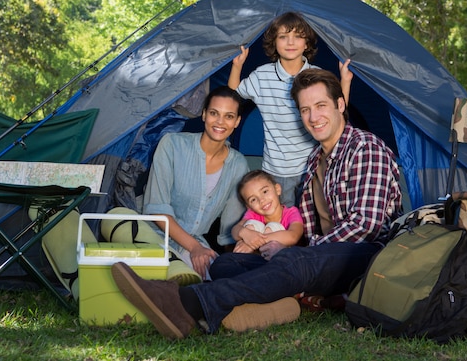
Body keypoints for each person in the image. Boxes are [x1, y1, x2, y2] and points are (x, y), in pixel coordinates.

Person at [110, 68, 402, 339]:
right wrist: (269, 243)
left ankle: (190, 303)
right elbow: (304, 228)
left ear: (340, 105)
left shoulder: (365, 148)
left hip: (367, 259)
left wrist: (301, 253)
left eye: (321, 106)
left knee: (293, 259)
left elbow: (367, 225)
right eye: (305, 110)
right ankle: (281, 304)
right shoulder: (315, 161)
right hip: (319, 261)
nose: (314, 117)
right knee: (227, 263)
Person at [228, 11, 353, 207]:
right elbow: (234, 93)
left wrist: (345, 80)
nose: (290, 42)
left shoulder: (317, 75)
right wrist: (237, 66)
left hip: (312, 168)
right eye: (283, 36)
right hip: (274, 170)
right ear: (274, 43)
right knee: (280, 224)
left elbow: (337, 109)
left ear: (307, 43)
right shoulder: (262, 76)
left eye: (298, 36)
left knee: (310, 222)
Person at [142, 86, 249, 280]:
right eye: (214, 113)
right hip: (150, 234)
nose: (220, 122)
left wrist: (234, 264)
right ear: (204, 114)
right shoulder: (172, 144)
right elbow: (157, 210)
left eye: (229, 116)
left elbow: (230, 226)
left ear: (237, 122)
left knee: (216, 280)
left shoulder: (239, 164)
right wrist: (194, 248)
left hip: (196, 245)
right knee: (175, 276)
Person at [229, 170, 303, 258]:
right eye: (253, 199)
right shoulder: (253, 214)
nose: (262, 200)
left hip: (285, 260)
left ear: (277, 189)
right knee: (249, 227)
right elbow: (235, 230)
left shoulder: (292, 212)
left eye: (264, 192)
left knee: (272, 227)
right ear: (249, 206)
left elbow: (293, 236)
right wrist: (246, 234)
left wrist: (253, 242)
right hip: (257, 258)